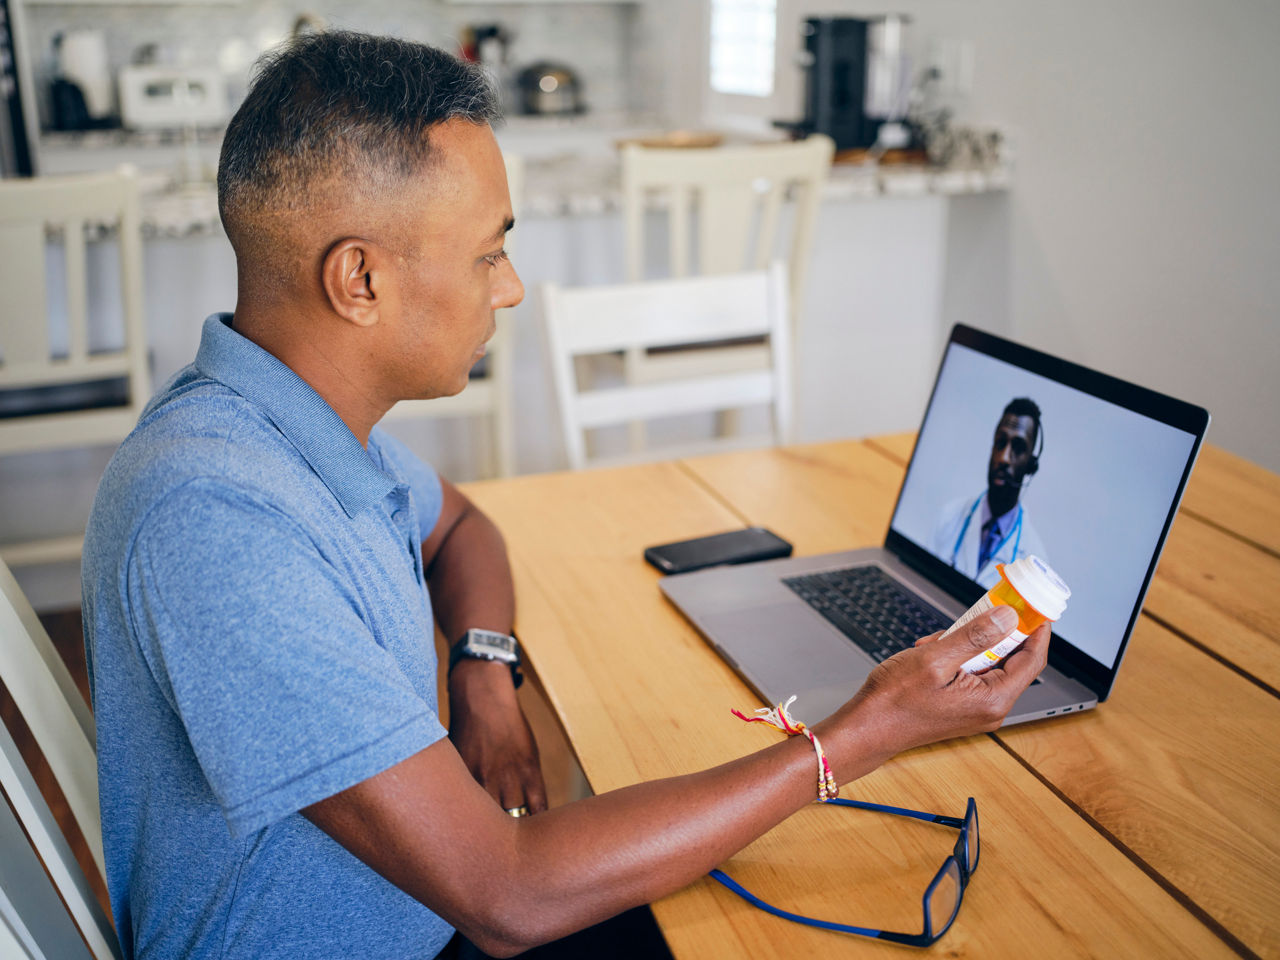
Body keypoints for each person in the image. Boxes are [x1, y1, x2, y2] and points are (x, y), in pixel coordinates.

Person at [82, 31, 1050, 960]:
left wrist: (482, 671)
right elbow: (509, 894)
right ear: (359, 279)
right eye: (487, 254)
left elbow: (460, 525)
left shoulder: (295, 427)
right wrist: (863, 731)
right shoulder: (217, 518)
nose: (508, 290)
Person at [931, 398, 1050, 588]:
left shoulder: (1034, 560)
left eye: (1017, 448)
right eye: (1000, 443)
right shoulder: (950, 515)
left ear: (1030, 465)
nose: (1003, 458)